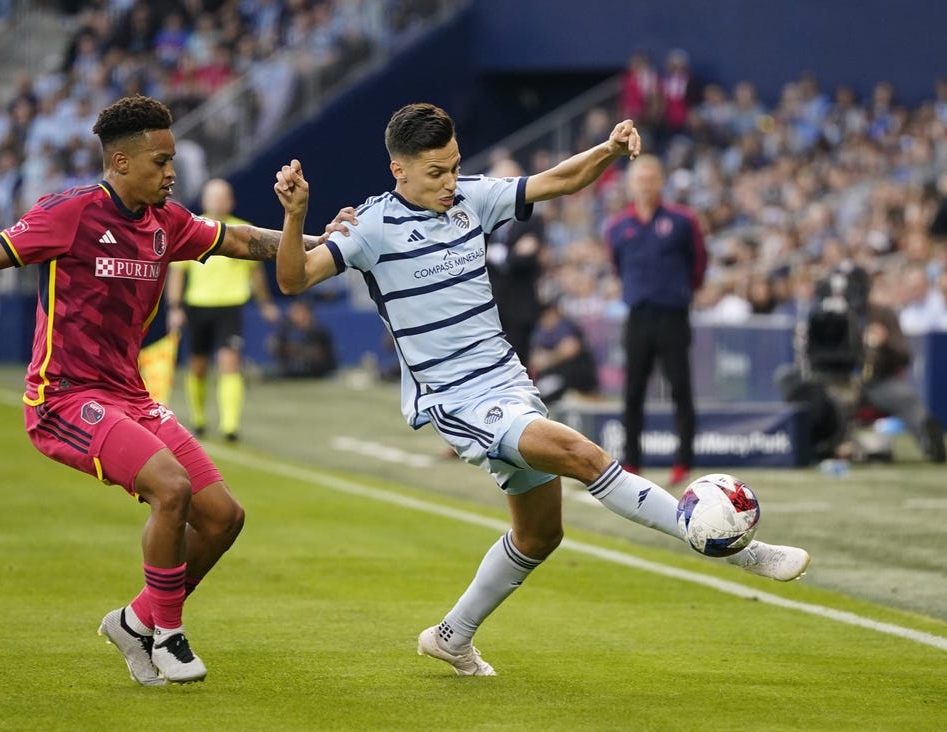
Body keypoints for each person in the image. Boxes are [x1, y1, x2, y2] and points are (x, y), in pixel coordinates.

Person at [272, 102, 810, 678]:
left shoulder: (471, 199)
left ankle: (452, 636)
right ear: (398, 170)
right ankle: (731, 544)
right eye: (437, 172)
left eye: (455, 166)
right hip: (455, 397)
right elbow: (293, 277)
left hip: (509, 381)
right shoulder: (370, 227)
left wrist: (606, 150)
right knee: (584, 455)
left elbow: (558, 180)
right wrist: (297, 216)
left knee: (539, 534)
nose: (451, 182)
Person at [0, 95, 350, 687]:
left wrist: (312, 235)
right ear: (123, 164)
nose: (172, 172)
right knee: (171, 487)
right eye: (161, 161)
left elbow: (240, 241)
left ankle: (135, 620)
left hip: (129, 395)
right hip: (63, 397)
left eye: (173, 160)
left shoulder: (168, 222)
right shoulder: (71, 213)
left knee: (224, 517)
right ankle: (168, 633)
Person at [606, 154, 707, 487]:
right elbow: (617, 266)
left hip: (673, 315)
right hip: (638, 316)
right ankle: (632, 460)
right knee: (632, 391)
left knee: (681, 388)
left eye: (651, 178)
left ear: (661, 181)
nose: (646, 184)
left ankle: (683, 462)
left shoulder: (682, 220)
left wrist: (679, 291)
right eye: (640, 178)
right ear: (631, 184)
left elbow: (699, 265)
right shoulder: (619, 226)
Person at [166, 178, 280, 442]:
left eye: (223, 196)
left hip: (230, 306)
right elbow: (177, 273)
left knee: (230, 363)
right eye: (213, 196)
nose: (218, 201)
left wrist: (265, 304)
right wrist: (174, 307)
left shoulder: (244, 231)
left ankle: (230, 426)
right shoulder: (190, 228)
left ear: (231, 200)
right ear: (204, 199)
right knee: (197, 366)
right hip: (197, 305)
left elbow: (256, 273)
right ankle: (199, 420)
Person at [860, 276, 946, 463]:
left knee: (906, 397)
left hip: (879, 382)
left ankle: (930, 441)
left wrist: (885, 343)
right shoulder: (835, 314)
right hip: (841, 381)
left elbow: (904, 355)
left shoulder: (884, 315)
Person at [484, 156, 546, 368]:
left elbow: (528, 258)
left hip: (521, 305)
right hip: (489, 305)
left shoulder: (532, 219)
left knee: (519, 364)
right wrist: (510, 253)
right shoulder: (482, 219)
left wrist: (498, 254)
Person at [527, 300, 598, 405]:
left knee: (543, 395)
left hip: (576, 377)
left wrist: (549, 358)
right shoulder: (541, 330)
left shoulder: (564, 325)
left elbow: (571, 347)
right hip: (555, 377)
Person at [267, 299, 337, 379]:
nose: (295, 315)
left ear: (307, 313)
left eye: (299, 312)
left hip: (314, 374)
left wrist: (296, 350)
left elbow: (325, 356)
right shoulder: (286, 331)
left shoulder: (319, 332)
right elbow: (275, 347)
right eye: (294, 312)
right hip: (289, 373)